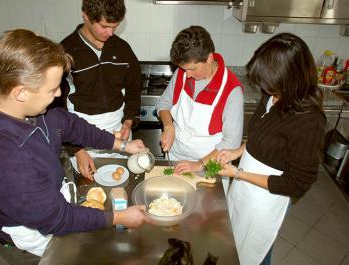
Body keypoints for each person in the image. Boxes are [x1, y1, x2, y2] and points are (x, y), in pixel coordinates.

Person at [0, 29, 149, 265]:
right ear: (20, 92)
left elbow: (71, 125)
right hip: (30, 244)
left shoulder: (22, 105)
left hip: (50, 206)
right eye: (52, 90)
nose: (60, 93)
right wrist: (118, 217)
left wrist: (122, 144)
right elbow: (57, 220)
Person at [216, 33, 326, 265]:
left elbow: (298, 183)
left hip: (266, 200)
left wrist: (238, 173)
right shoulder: (272, 95)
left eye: (269, 82)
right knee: (233, 243)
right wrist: (237, 152)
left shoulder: (309, 121)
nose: (264, 88)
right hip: (244, 190)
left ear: (289, 79)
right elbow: (261, 137)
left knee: (254, 253)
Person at [155, 25, 244, 195]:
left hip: (210, 167)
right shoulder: (183, 73)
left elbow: (231, 144)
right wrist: (169, 127)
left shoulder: (231, 90)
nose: (187, 75)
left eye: (192, 69)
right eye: (184, 69)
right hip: (176, 158)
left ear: (210, 58)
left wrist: (198, 165)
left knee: (206, 216)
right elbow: (164, 103)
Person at [60, 0, 142, 179]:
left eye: (115, 26)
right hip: (81, 132)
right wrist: (77, 150)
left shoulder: (122, 48)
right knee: (89, 190)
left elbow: (134, 87)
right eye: (105, 26)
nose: (111, 33)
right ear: (86, 16)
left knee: (122, 182)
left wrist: (128, 120)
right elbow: (57, 106)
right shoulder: (66, 51)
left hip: (117, 127)